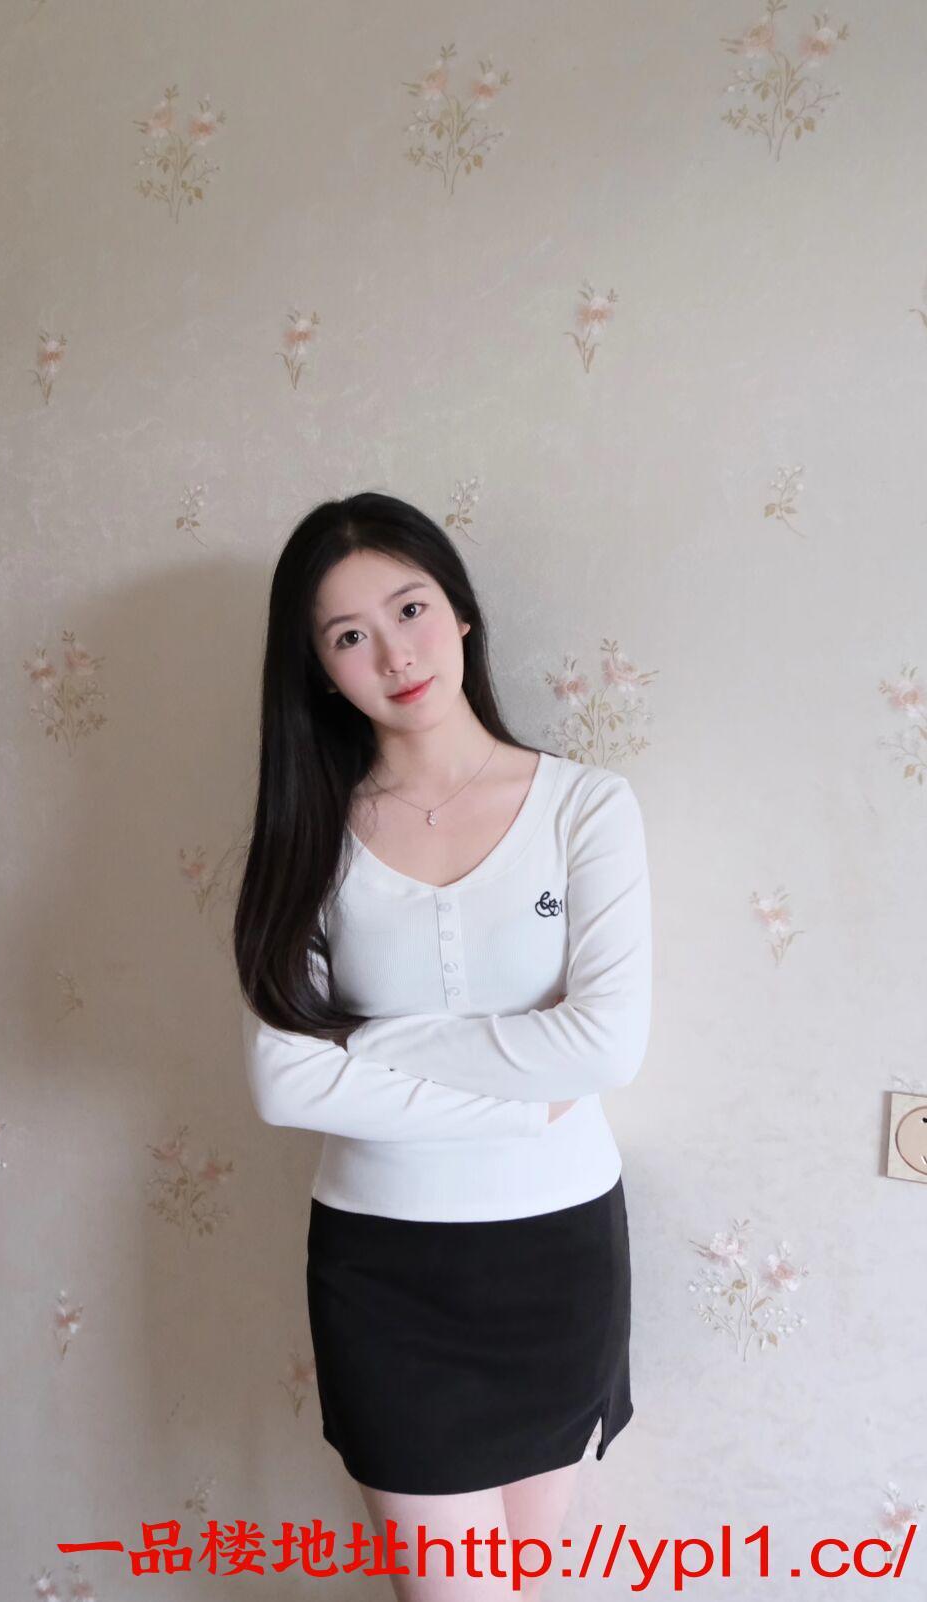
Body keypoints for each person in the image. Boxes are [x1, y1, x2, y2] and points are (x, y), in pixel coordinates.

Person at [233, 491, 652, 1600]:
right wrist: (527, 1087)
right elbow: (284, 1080)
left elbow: (604, 1047)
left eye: (410, 608)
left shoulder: (587, 808)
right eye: (349, 635)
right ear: (320, 669)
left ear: (460, 611)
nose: (395, 654)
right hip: (387, 1274)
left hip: (561, 1253)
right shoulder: (307, 831)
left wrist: (370, 1045)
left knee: (526, 1585)